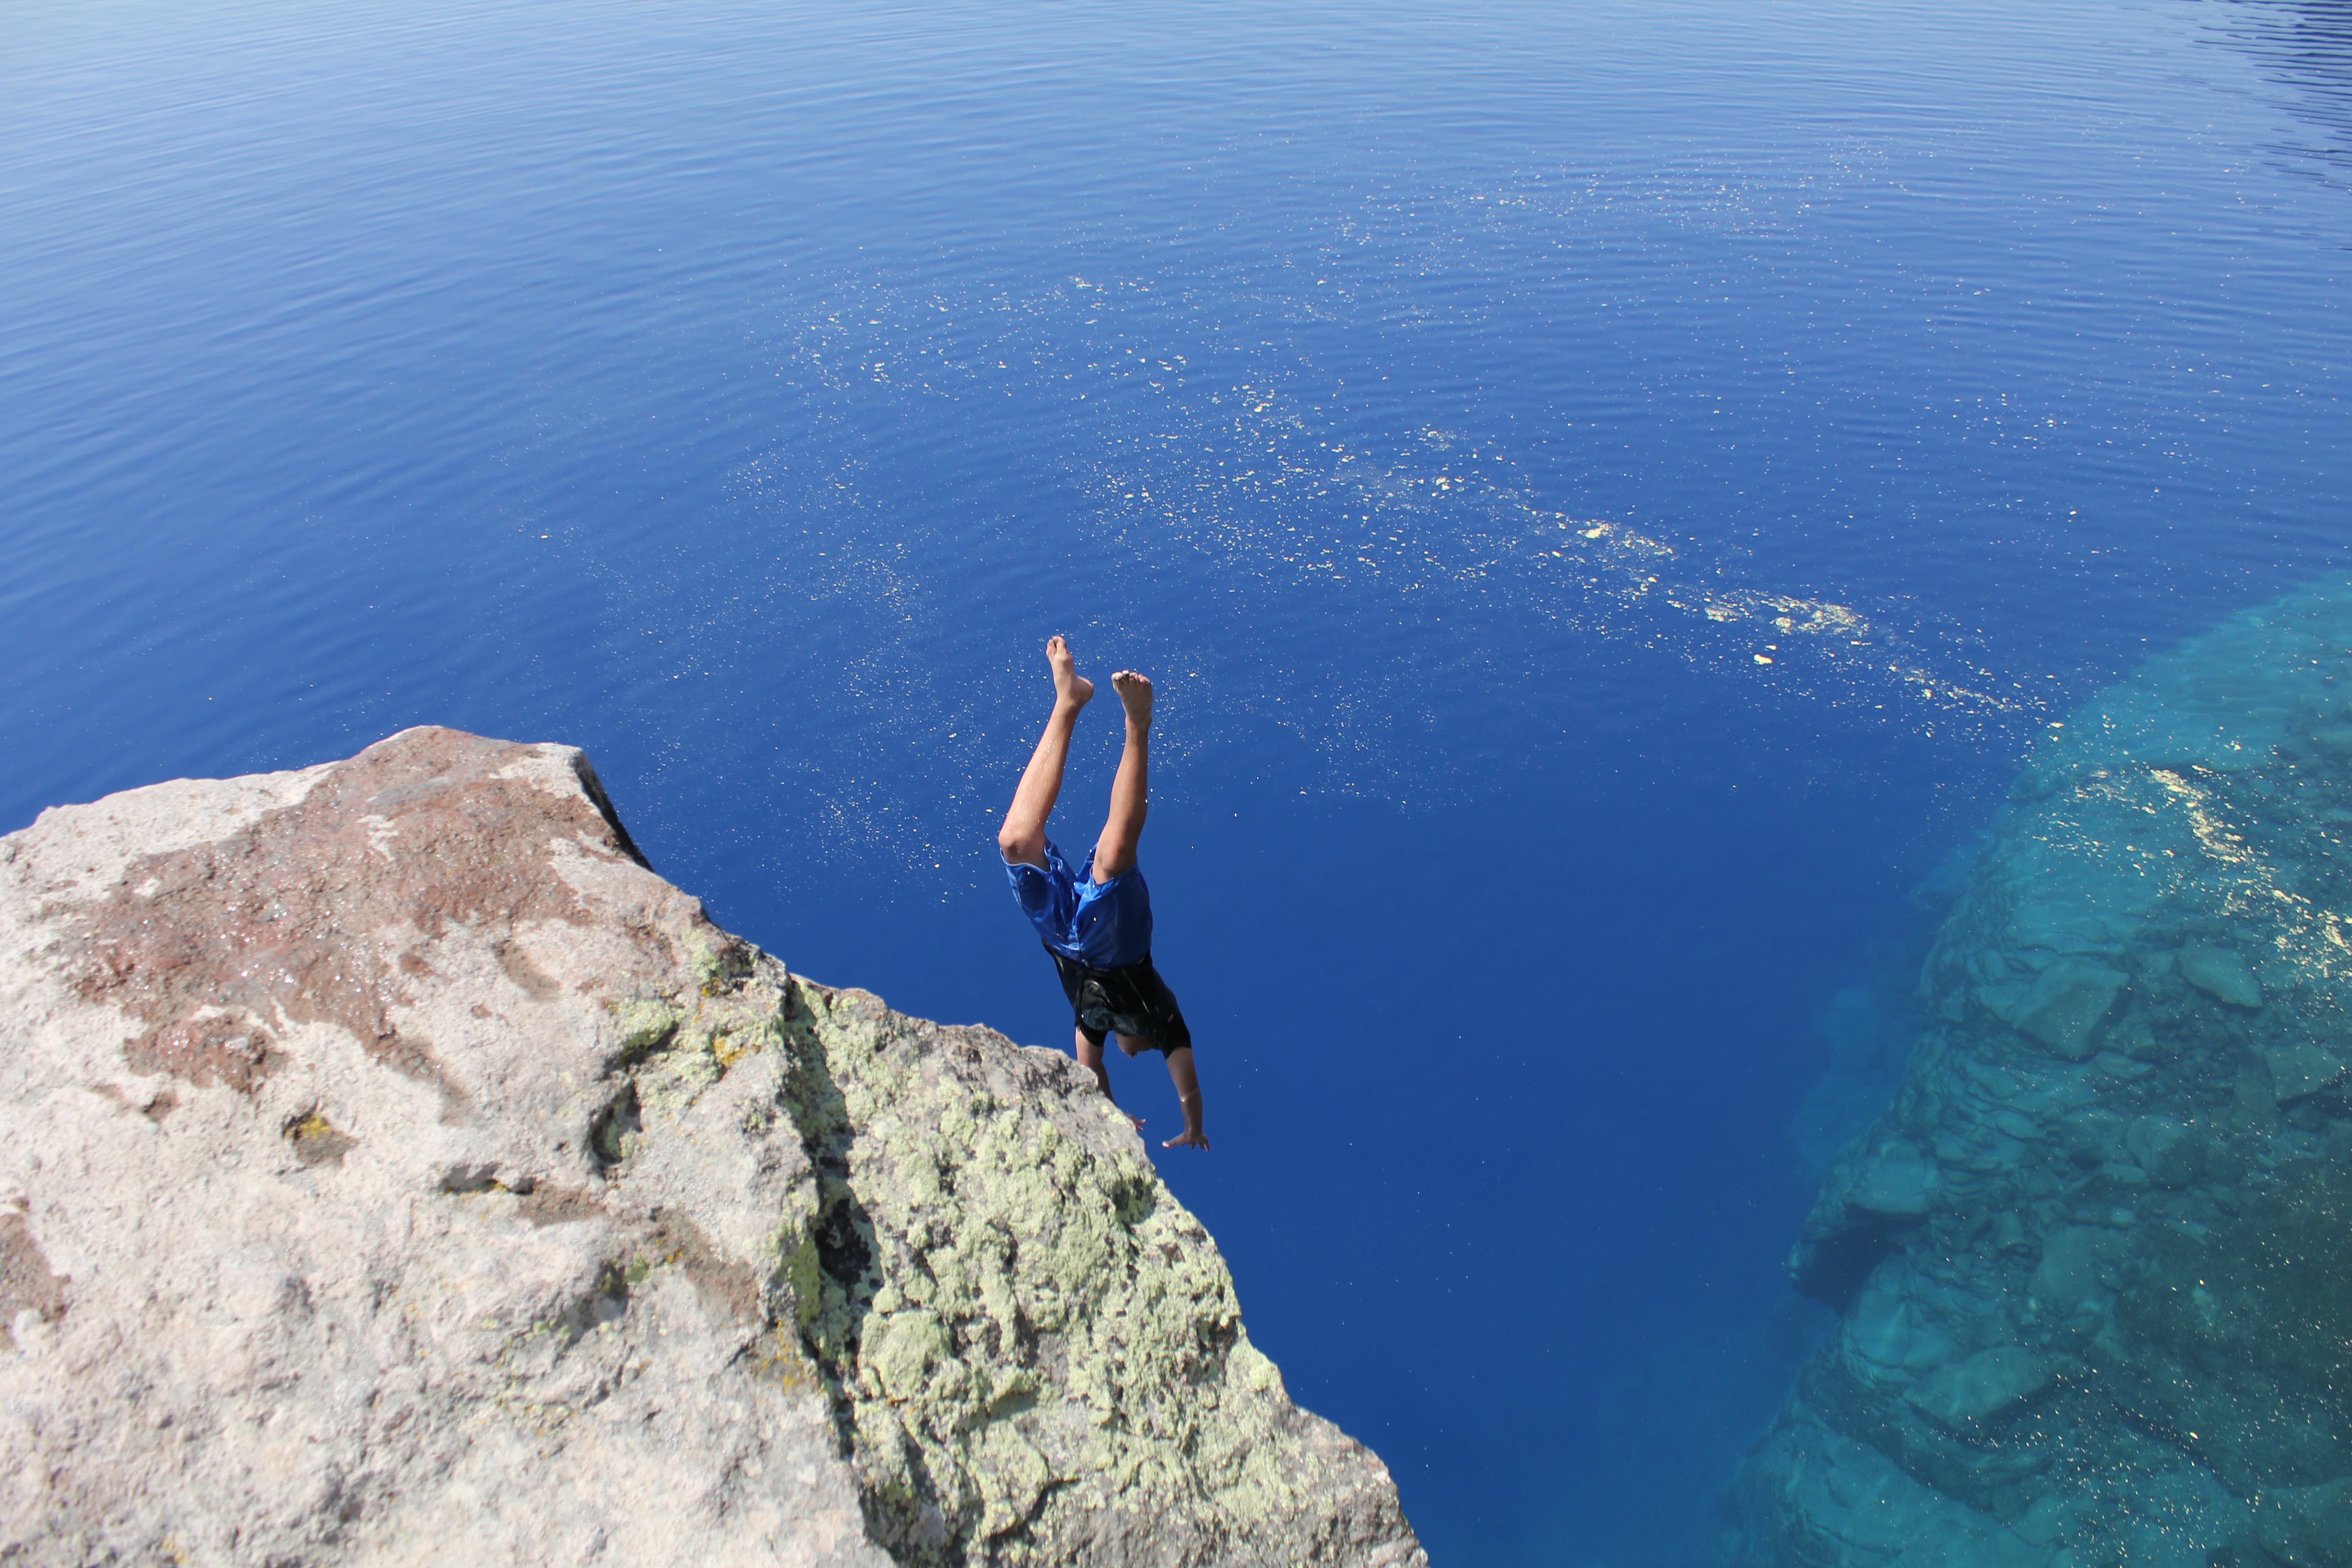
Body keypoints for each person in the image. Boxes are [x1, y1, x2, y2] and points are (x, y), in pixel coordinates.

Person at [997, 636, 1209, 1151]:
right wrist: (1194, 1126)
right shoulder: (1165, 1020)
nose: (1129, 1052)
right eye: (1139, 1052)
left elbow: (1091, 1077)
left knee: (1015, 842)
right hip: (1121, 947)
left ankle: (1068, 700)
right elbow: (1189, 1083)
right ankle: (1139, 726)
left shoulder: (1091, 1025)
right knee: (1114, 859)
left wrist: (1111, 1115)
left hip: (1064, 936)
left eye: (1125, 1052)